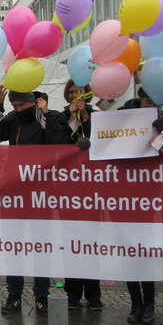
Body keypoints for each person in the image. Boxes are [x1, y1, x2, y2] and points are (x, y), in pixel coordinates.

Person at [0, 86, 65, 315]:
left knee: (40, 246)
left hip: (41, 194)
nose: (19, 109)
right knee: (14, 246)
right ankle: (14, 294)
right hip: (14, 194)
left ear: (35, 102)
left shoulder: (51, 117)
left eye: (23, 105)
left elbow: (57, 143)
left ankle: (42, 295)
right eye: (15, 106)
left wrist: (44, 117)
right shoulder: (12, 118)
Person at [123, 87, 163, 325]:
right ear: (139, 99)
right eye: (147, 100)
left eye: (155, 100)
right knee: (128, 251)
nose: (150, 105)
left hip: (149, 194)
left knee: (145, 251)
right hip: (123, 195)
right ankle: (135, 302)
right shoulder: (123, 116)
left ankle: (149, 303)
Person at [56, 81, 104, 310]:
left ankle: (93, 293)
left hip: (91, 189)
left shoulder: (96, 115)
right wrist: (73, 118)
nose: (75, 96)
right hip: (69, 190)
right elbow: (60, 143)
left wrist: (85, 115)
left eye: (79, 92)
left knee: (91, 243)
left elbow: (102, 141)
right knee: (72, 243)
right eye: (71, 92)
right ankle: (73, 292)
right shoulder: (60, 117)